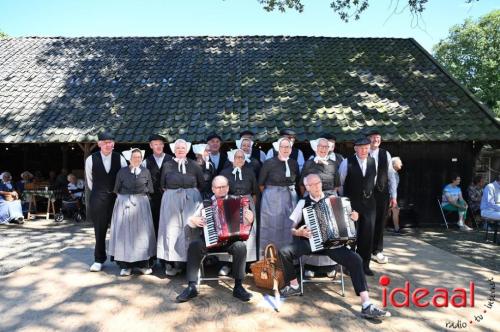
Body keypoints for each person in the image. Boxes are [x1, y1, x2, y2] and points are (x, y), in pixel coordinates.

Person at [278, 174, 391, 319]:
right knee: (284, 252)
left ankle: (366, 304)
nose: (316, 186)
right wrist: (298, 232)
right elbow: (291, 228)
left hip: (333, 245)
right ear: (306, 188)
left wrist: (354, 217)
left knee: (356, 259)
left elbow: (349, 220)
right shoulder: (303, 203)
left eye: (318, 183)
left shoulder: (335, 200)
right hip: (311, 241)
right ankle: (294, 286)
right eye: (312, 185)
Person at [176, 176, 254, 303]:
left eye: (224, 187)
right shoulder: (205, 203)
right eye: (218, 187)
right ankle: (191, 286)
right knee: (195, 244)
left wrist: (250, 219)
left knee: (241, 246)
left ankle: (238, 287)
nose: (221, 190)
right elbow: (190, 221)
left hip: (229, 241)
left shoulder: (238, 202)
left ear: (228, 188)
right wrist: (194, 221)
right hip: (210, 240)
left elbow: (245, 224)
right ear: (213, 189)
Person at [157, 139, 205, 276]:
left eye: (183, 147)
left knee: (190, 230)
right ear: (173, 149)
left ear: (187, 149)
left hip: (191, 201)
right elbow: (162, 185)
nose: (180, 150)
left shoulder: (194, 165)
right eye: (177, 148)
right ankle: (172, 263)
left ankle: (190, 263)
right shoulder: (167, 165)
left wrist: (190, 194)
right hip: (172, 201)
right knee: (171, 231)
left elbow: (201, 183)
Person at [109, 148, 156, 276]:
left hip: (141, 203)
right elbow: (116, 189)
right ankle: (126, 266)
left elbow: (150, 189)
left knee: (142, 235)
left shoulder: (145, 171)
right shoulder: (122, 172)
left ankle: (142, 265)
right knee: (125, 235)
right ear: (129, 158)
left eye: (139, 157)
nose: (137, 159)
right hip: (125, 203)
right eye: (134, 157)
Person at [85, 131, 128, 272]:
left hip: (117, 198)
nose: (107, 145)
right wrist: (100, 191)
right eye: (104, 142)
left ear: (114, 144)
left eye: (110, 142)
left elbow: (123, 179)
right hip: (98, 198)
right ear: (99, 144)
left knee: (120, 230)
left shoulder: (120, 158)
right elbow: (90, 182)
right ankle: (99, 259)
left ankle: (122, 262)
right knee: (100, 229)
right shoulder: (91, 159)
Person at [300, 138, 341, 278]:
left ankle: (330, 266)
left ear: (329, 148)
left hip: (329, 200)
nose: (323, 149)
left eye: (326, 146)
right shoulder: (308, 164)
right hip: (312, 201)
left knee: (330, 233)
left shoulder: (333, 164)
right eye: (320, 146)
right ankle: (310, 266)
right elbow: (302, 185)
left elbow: (336, 185)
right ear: (315, 148)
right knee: (313, 232)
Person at [339, 137, 377, 276]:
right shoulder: (346, 162)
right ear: (355, 148)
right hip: (352, 203)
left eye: (366, 148)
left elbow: (373, 181)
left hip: (369, 204)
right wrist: (347, 201)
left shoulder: (373, 161)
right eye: (360, 148)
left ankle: (365, 265)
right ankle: (350, 266)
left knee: (368, 235)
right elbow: (341, 184)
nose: (363, 150)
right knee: (352, 236)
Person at [218, 149, 259, 276]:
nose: (240, 159)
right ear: (232, 158)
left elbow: (255, 191)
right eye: (237, 157)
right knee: (230, 233)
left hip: (247, 203)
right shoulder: (225, 172)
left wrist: (251, 206)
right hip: (230, 203)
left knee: (248, 233)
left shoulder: (250, 172)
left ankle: (247, 264)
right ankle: (227, 264)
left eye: (242, 157)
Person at [259, 137, 299, 256]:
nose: (285, 149)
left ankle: (288, 258)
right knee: (272, 227)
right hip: (272, 198)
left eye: (288, 147)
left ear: (291, 149)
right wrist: (271, 197)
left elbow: (298, 180)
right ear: (278, 148)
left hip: (290, 197)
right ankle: (270, 257)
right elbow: (261, 183)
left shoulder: (293, 163)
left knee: (289, 226)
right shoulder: (269, 163)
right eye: (283, 147)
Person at [366, 130, 397, 265]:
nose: (375, 140)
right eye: (373, 138)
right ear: (368, 139)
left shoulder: (386, 154)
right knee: (365, 222)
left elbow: (391, 176)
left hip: (382, 193)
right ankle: (364, 250)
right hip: (365, 193)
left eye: (378, 138)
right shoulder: (362, 151)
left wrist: (394, 195)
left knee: (380, 222)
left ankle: (377, 251)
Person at [143, 134, 173, 241]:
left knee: (168, 223)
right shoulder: (146, 161)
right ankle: (155, 251)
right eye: (156, 144)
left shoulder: (172, 160)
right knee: (154, 223)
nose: (159, 146)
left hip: (169, 197)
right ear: (151, 146)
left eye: (161, 144)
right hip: (153, 198)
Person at [389, 157, 403, 234]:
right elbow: (391, 186)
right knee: (395, 211)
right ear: (394, 164)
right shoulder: (391, 173)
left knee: (387, 213)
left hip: (391, 196)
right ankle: (396, 229)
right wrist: (392, 198)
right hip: (390, 196)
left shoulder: (394, 173)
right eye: (399, 162)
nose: (401, 164)